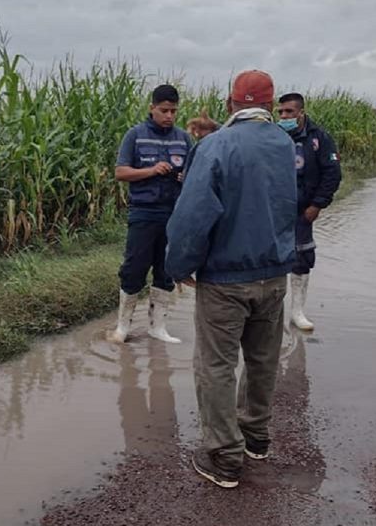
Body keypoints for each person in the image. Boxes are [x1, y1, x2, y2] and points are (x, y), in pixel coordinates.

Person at [165, 70, 297, 489]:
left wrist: (178, 265)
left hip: (226, 277)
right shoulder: (283, 142)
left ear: (229, 104)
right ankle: (255, 436)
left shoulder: (214, 145)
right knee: (263, 358)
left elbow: (193, 215)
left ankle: (224, 457)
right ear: (271, 105)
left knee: (216, 364)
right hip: (275, 273)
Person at [108, 84, 193, 344]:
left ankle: (158, 327)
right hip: (143, 213)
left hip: (173, 214)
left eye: (173, 111)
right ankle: (123, 327)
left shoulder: (183, 138)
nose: (169, 116)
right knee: (134, 268)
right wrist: (152, 170)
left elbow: (193, 174)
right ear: (152, 108)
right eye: (164, 110)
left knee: (165, 269)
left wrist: (183, 176)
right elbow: (121, 173)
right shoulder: (135, 135)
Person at [276, 93, 342, 330]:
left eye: (289, 112)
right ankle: (273, 314)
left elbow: (332, 173)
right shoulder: (272, 135)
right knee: (271, 258)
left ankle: (297, 312)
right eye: (280, 112)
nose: (284, 116)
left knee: (302, 258)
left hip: (303, 210)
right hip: (273, 211)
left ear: (301, 113)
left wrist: (317, 205)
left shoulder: (319, 138)